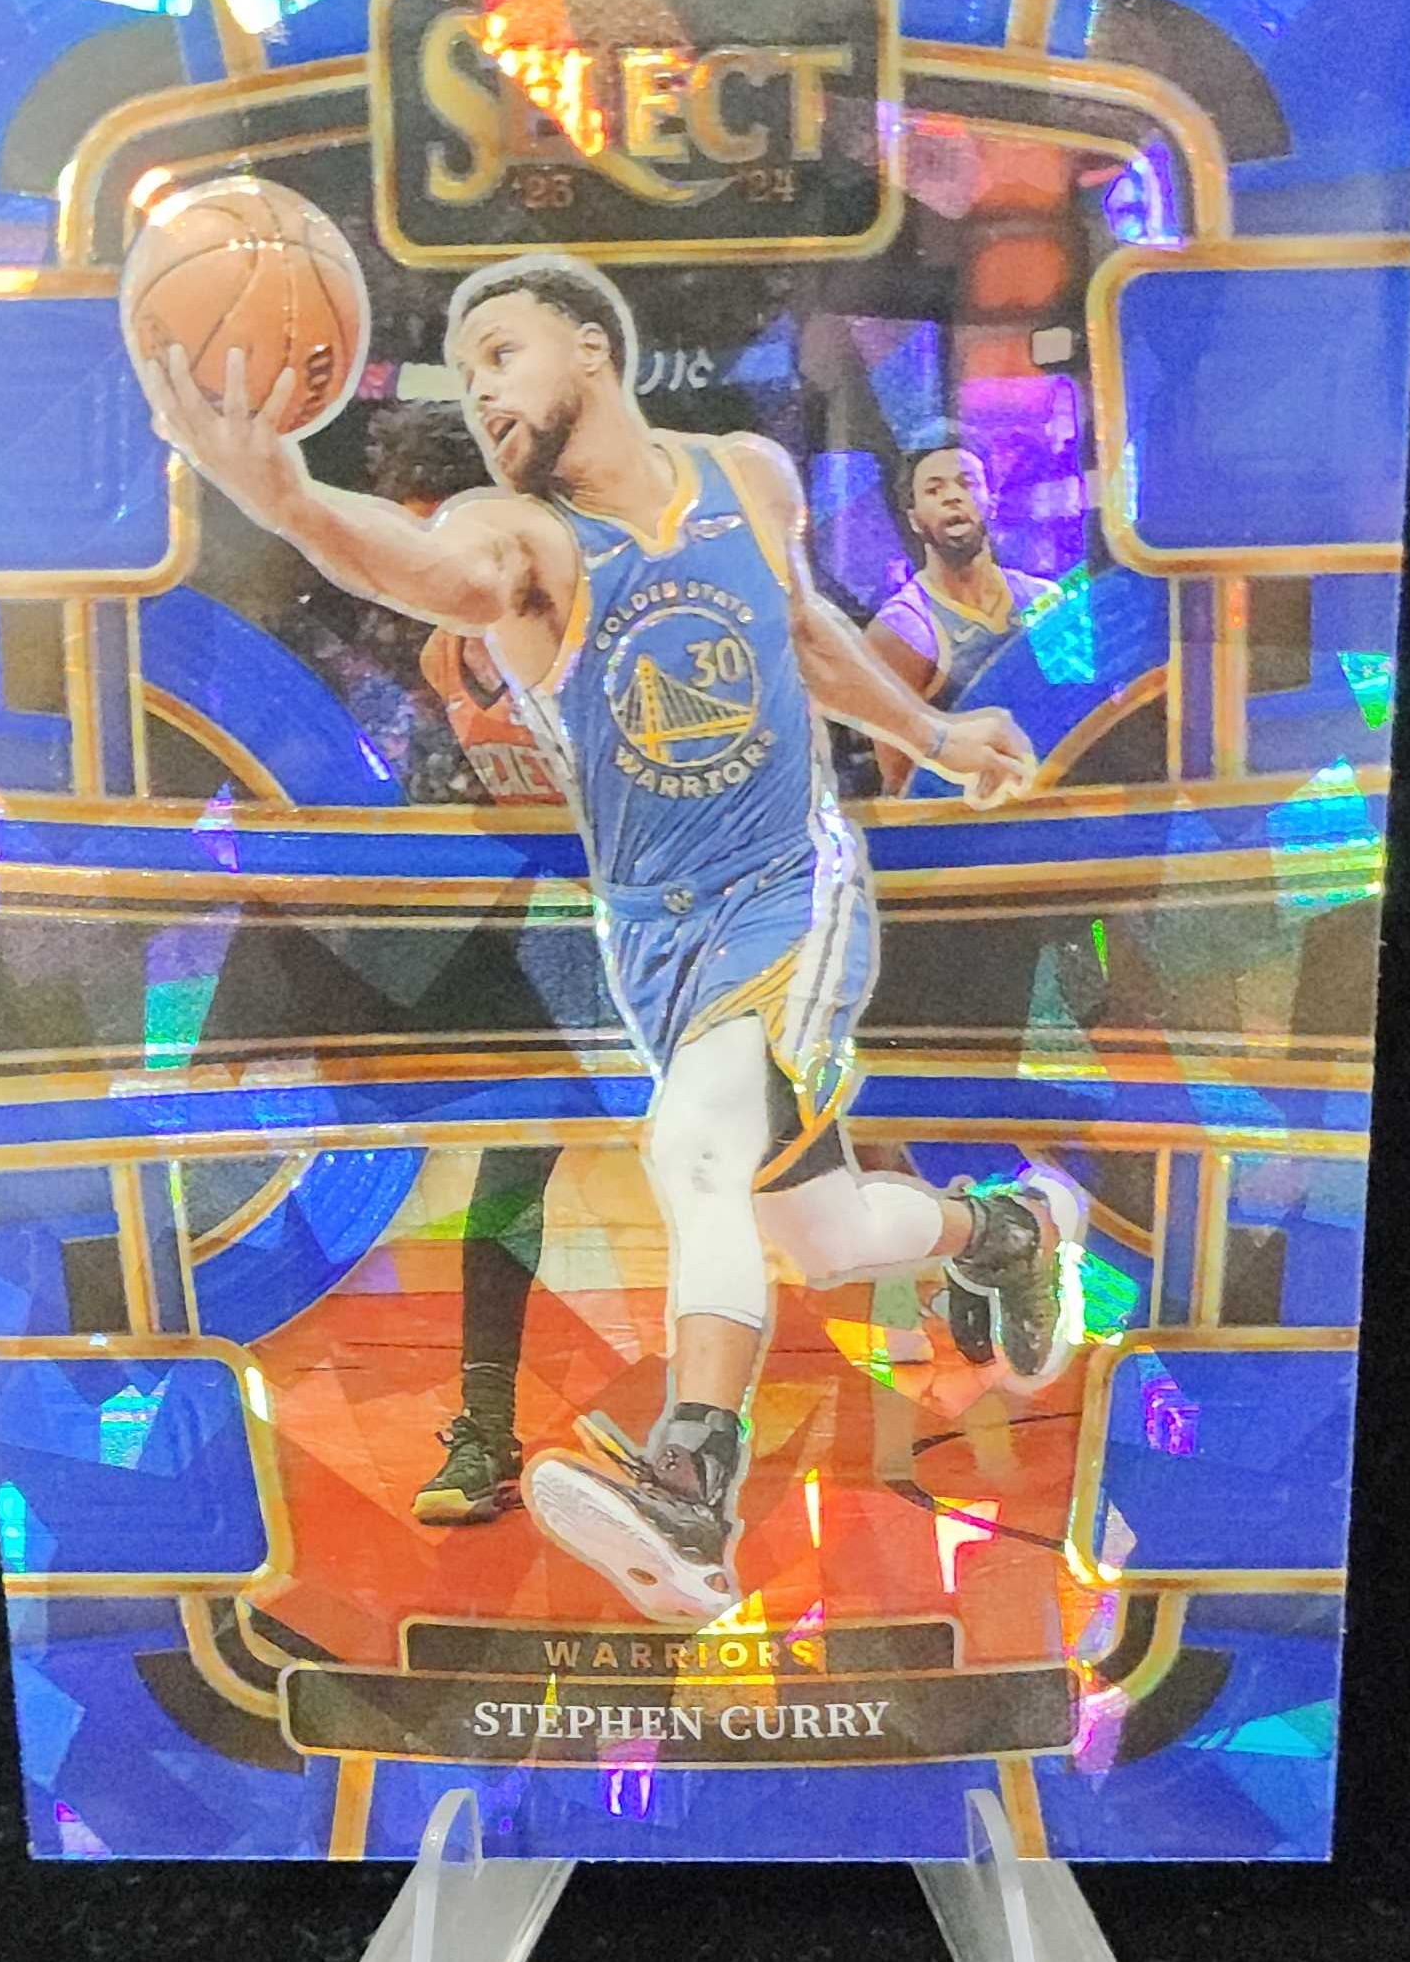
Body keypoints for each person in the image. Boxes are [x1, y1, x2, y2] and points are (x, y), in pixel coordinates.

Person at [139, 254, 1082, 1626]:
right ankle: (1004, 1229)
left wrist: (933, 735)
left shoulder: (748, 475)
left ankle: (690, 1481)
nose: (482, 393)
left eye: (502, 354)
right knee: (824, 1233)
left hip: (787, 892)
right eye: (466, 375)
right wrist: (283, 499)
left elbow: (804, 633)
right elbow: (423, 561)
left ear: (591, 348)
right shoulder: (521, 541)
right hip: (650, 941)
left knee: (691, 1148)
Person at [363, 403, 563, 1525]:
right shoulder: (444, 651)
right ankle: (486, 1431)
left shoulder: (580, 618)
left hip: (682, 928)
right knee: (508, 1177)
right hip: (562, 939)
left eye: (433, 534)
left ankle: (980, 1238)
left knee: (768, 1188)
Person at [864, 425, 1060, 792]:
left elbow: (1082, 716)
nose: (952, 497)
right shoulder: (902, 628)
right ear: (913, 518)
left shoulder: (1045, 601)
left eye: (966, 484)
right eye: (934, 489)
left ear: (992, 501)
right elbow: (899, 782)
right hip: (962, 817)